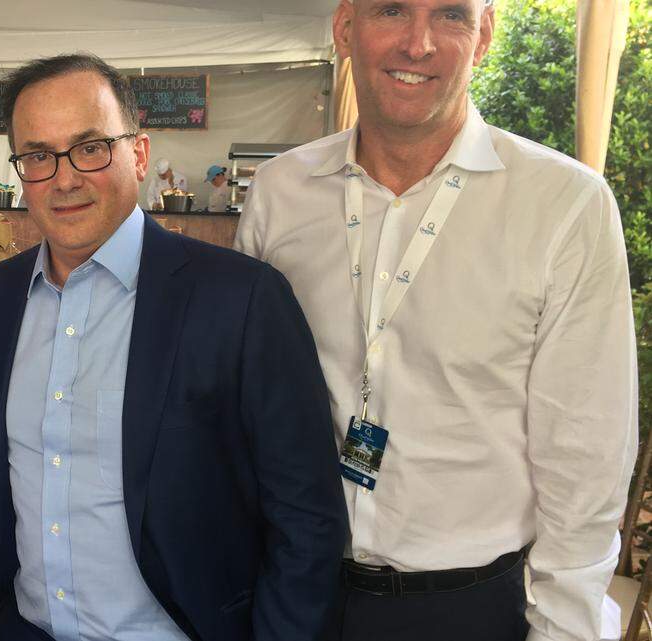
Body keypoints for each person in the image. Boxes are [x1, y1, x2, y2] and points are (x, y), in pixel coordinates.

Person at [234, 1, 637, 640]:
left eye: (450, 15)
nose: (418, 44)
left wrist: (565, 628)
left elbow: (584, 454)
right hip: (292, 594)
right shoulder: (280, 192)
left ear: (483, 36)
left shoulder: (565, 206)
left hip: (464, 609)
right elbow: (245, 402)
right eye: (391, 10)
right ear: (345, 28)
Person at [0, 53, 347, 641]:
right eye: (39, 156)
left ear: (139, 154)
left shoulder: (242, 300)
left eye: (90, 147)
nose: (64, 178)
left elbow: (306, 518)